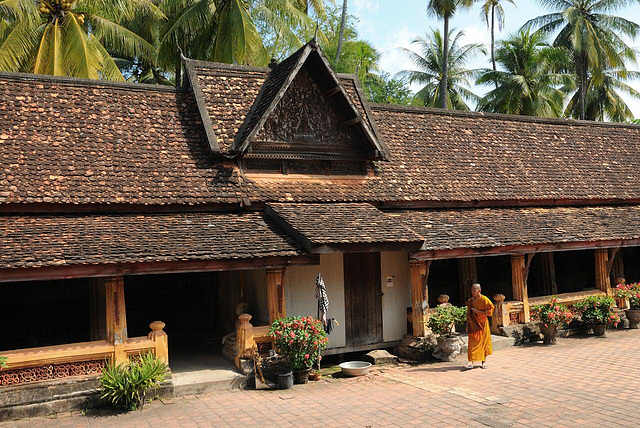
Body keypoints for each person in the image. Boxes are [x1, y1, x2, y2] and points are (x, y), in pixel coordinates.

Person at [464, 283, 495, 369]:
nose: (472, 292)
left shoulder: (484, 300)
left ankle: (483, 361)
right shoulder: (470, 301)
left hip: (482, 324)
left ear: (479, 291)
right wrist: (467, 325)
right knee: (472, 343)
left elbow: (490, 312)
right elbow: (468, 315)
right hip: (473, 325)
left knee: (483, 343)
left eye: (474, 290)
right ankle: (470, 361)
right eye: (471, 290)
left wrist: (479, 312)